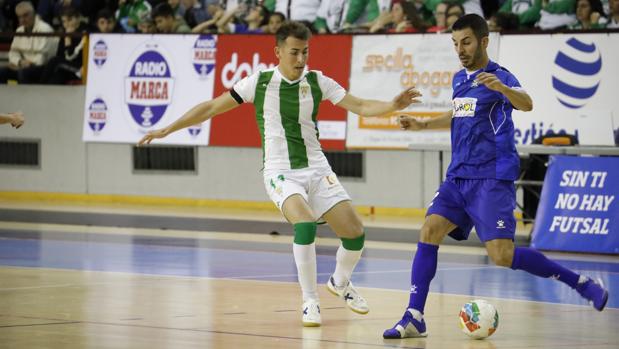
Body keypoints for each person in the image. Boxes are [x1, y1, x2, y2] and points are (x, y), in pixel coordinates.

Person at [138, 21, 421, 327]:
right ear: (278, 52)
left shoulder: (317, 81)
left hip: (317, 167)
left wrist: (393, 104)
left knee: (355, 234)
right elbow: (209, 108)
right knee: (306, 224)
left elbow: (362, 105)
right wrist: (168, 128)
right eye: (294, 53)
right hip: (280, 171)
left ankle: (340, 282)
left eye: (305, 52)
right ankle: (310, 300)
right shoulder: (257, 83)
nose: (301, 60)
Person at [383, 14, 609, 339]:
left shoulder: (499, 76)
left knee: (501, 255)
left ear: (484, 41)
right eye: (456, 43)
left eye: (467, 42)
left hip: (492, 176)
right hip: (459, 175)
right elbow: (458, 114)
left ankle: (581, 283)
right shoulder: (459, 80)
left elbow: (527, 103)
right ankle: (414, 315)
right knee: (429, 230)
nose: (460, 49)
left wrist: (503, 88)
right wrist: (422, 124)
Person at [0, 1, 57, 84]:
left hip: (42, 69)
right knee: (2, 72)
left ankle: (26, 96)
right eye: (19, 17)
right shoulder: (19, 30)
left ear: (34, 14)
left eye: (25, 15)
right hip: (23, 66)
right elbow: (13, 53)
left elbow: (41, 59)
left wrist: (24, 65)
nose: (22, 20)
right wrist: (20, 62)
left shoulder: (45, 29)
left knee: (23, 73)